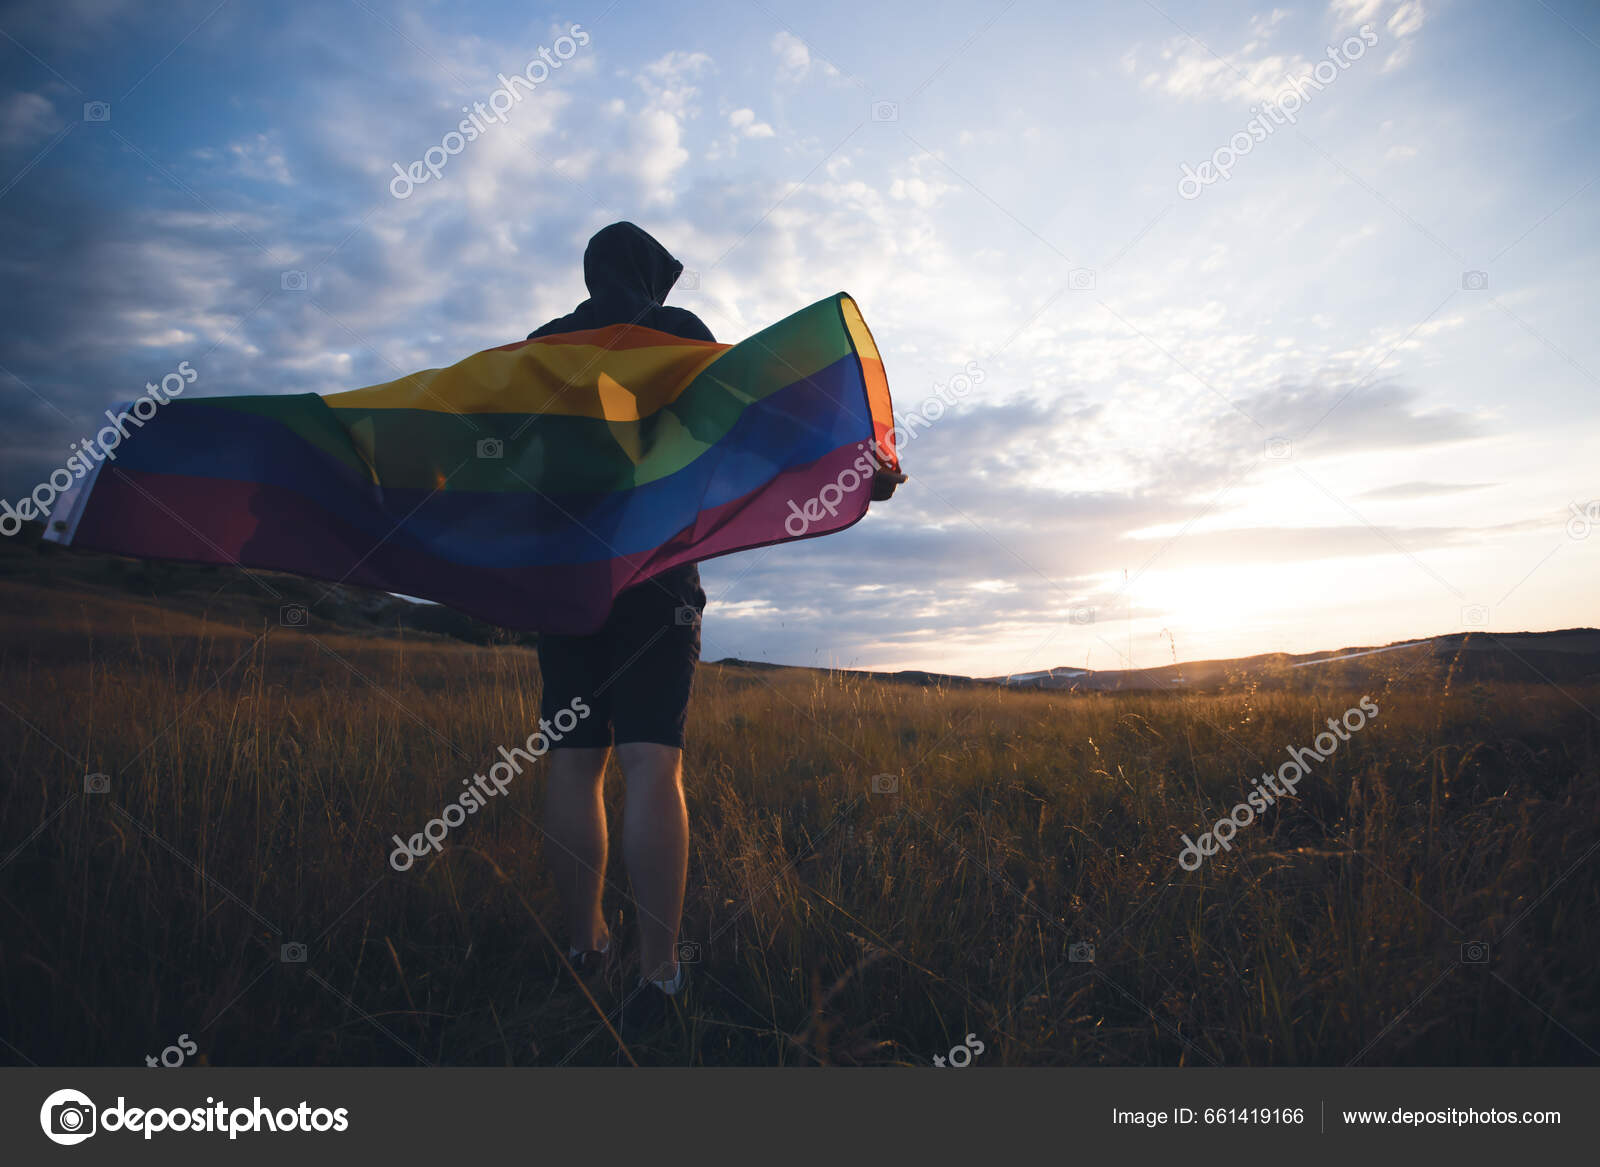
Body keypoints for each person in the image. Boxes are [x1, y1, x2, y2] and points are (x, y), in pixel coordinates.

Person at [531, 222, 902, 1039]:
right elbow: (758, 423)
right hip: (654, 575)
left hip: (565, 579)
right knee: (652, 763)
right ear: (652, 277)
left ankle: (584, 947)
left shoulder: (545, 348)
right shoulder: (677, 336)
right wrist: (856, 464)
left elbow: (510, 459)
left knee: (573, 759)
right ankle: (659, 974)